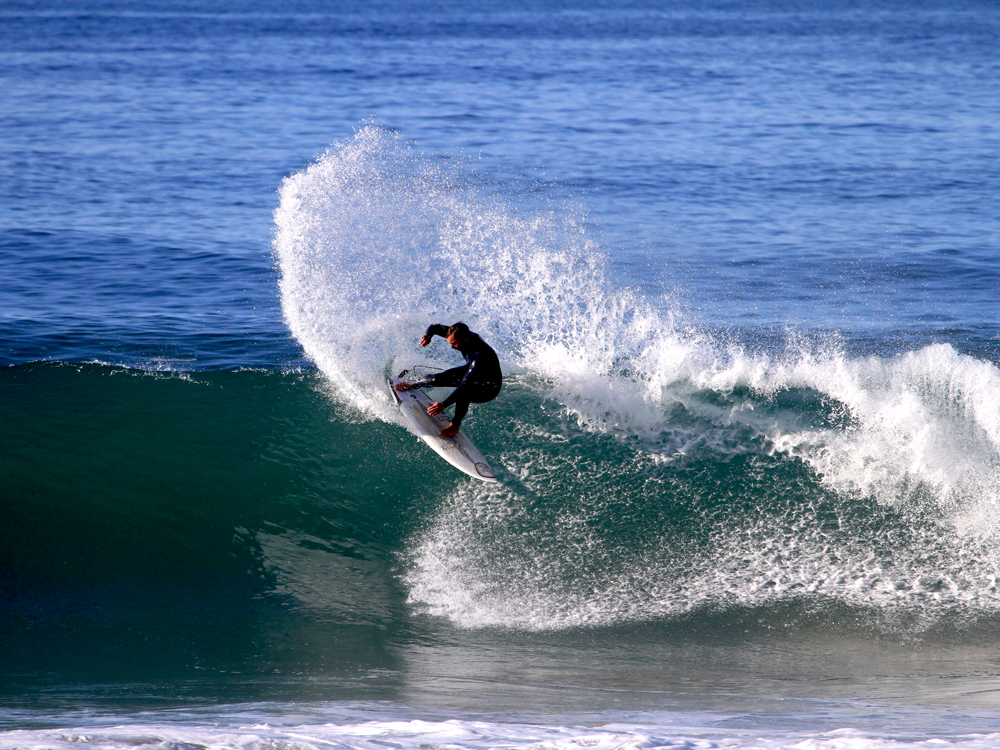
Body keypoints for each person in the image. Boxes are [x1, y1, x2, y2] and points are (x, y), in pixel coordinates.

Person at [394, 322, 502, 438]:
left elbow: (466, 385)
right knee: (437, 378)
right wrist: (428, 336)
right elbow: (434, 327)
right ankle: (414, 385)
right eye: (450, 343)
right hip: (473, 371)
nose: (452, 346)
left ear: (466, 339)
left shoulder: (479, 355)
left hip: (489, 387)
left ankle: (454, 426)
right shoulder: (458, 333)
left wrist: (443, 405)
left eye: (454, 343)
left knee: (463, 395)